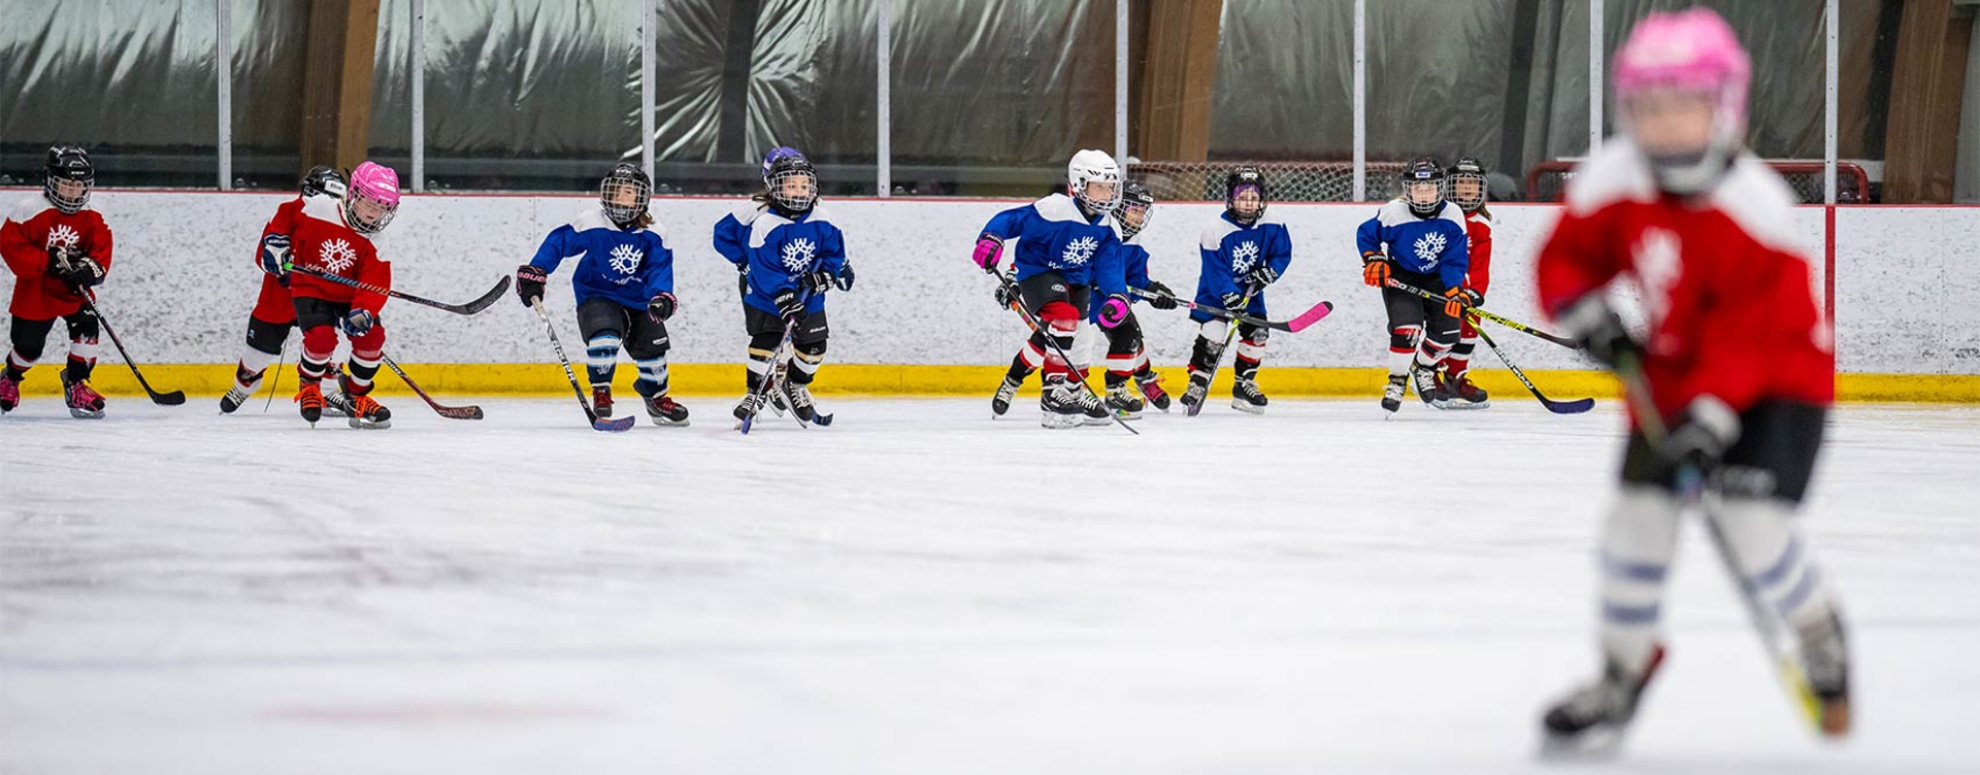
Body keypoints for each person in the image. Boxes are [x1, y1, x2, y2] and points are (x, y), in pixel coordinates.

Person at [1533, 8, 1849, 755]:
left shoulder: (1757, 211)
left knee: (1751, 525)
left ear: (1724, 107)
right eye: (1649, 105)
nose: (1666, 122)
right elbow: (1566, 255)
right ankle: (1620, 670)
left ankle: (1817, 631)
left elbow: (1753, 337)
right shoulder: (1616, 174)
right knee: (1635, 523)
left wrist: (1711, 419)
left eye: (1685, 104)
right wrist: (1585, 311)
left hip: (1778, 384)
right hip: (1673, 378)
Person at [516, 163, 688, 426]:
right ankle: (601, 391)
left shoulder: (654, 233)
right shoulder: (591, 221)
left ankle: (655, 396)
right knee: (603, 339)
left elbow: (659, 270)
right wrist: (536, 272)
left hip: (641, 300)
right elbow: (558, 242)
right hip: (597, 293)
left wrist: (661, 297)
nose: (621, 198)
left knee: (653, 355)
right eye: (616, 191)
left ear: (642, 198)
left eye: (628, 192)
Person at [975, 149, 1122, 428]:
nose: (1107, 194)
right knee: (1064, 318)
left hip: (1076, 279)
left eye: (1110, 187)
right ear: (1079, 185)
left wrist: (1117, 296)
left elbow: (1111, 269)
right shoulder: (1054, 208)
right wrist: (992, 237)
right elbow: (1012, 220)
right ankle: (1052, 390)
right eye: (1099, 186)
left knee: (1081, 337)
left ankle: (1071, 391)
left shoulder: (1109, 227)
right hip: (1038, 271)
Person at [219, 165, 355, 416]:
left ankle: (324, 392)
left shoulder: (343, 223)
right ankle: (244, 384)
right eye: (325, 196)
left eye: (335, 199)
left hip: (319, 299)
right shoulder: (288, 212)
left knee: (329, 345)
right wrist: (280, 266)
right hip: (277, 301)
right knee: (255, 358)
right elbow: (263, 256)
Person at [733, 153, 852, 425]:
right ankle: (756, 393)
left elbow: (834, 253)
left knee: (815, 348)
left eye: (803, 186)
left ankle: (794, 384)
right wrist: (784, 295)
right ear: (775, 188)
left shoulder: (822, 218)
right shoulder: (765, 223)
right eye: (791, 186)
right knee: (765, 343)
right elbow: (763, 268)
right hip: (767, 299)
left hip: (810, 299)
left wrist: (825, 277)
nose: (798, 191)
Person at [283, 161, 401, 429]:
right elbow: (283, 219)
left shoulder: (378, 241)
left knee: (372, 339)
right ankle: (310, 385)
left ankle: (357, 395)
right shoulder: (320, 208)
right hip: (312, 289)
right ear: (354, 194)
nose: (375, 213)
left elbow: (375, 283)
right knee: (321, 338)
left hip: (351, 298)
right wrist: (275, 244)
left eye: (383, 207)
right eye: (370, 203)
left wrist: (364, 310)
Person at [0, 145, 114, 418]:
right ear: (50, 182)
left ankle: (76, 385)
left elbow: (101, 251)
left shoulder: (94, 213)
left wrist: (86, 271)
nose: (73, 192)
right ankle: (11, 377)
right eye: (65, 185)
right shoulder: (29, 210)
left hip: (74, 293)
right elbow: (10, 245)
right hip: (35, 294)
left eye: (79, 186)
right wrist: (46, 262)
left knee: (87, 334)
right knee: (28, 348)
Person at [1355, 158, 1471, 413]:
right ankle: (1397, 381)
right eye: (1417, 188)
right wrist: (1374, 259)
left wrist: (1454, 290)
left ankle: (1424, 367)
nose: (1423, 193)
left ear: (1440, 188)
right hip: (1402, 276)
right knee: (1407, 330)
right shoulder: (1394, 212)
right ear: (1408, 189)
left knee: (1449, 335)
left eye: (1429, 188)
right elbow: (1366, 234)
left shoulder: (1453, 214)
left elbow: (1455, 259)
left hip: (1438, 278)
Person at [1179, 166, 1291, 414]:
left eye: (1254, 197)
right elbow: (1215, 271)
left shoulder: (1273, 221)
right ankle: (1197, 383)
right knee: (1214, 334)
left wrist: (1268, 273)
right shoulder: (1215, 230)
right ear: (1230, 198)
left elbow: (1281, 254)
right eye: (1242, 197)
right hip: (1215, 293)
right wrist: (1229, 295)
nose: (1249, 203)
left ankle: (1244, 385)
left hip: (1251, 292)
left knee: (1258, 334)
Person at [1086, 179, 1178, 417]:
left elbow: (1136, 280)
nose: (1138, 217)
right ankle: (1065, 389)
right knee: (1063, 343)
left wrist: (1155, 292)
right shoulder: (1098, 229)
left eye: (1142, 212)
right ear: (1118, 207)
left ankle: (1134, 383)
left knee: (1130, 337)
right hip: (1082, 299)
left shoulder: (1134, 243)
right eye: (1133, 210)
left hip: (1113, 301)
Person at [714, 146, 806, 301]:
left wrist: (840, 264)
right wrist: (745, 263)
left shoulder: (811, 211)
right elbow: (721, 233)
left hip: (796, 280)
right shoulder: (755, 208)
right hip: (759, 283)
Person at [1438, 157, 1494, 409]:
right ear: (1450, 186)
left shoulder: (1481, 225)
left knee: (1470, 324)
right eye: (1461, 183)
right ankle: (1433, 373)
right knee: (1443, 329)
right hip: (1441, 291)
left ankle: (1455, 376)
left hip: (1464, 293)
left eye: (1472, 183)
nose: (1467, 188)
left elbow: (1481, 267)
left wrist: (1472, 293)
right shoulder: (1439, 218)